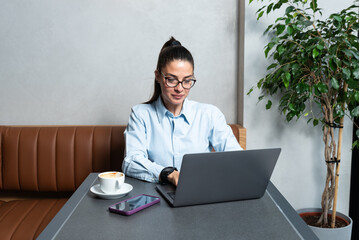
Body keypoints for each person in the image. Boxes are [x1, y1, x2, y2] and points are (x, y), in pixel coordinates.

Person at [122, 37, 242, 186]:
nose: (180, 88)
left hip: (201, 194)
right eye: (171, 80)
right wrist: (169, 174)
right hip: (156, 199)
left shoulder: (210, 114)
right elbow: (131, 162)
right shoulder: (140, 114)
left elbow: (237, 157)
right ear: (158, 76)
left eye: (187, 81)